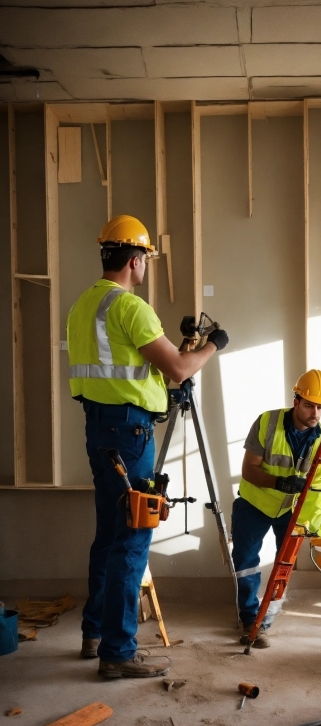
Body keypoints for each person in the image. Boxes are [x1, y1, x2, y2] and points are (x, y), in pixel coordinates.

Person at [67, 215, 229, 678]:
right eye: (145, 261)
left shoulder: (84, 305)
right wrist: (213, 345)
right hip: (129, 434)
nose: (144, 268)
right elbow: (179, 368)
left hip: (100, 430)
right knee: (133, 538)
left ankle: (94, 632)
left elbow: (128, 369)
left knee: (109, 535)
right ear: (136, 261)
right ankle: (117, 653)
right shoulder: (130, 308)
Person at [232, 369, 321, 648]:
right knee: (246, 563)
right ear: (296, 401)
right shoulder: (267, 422)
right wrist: (280, 482)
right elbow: (249, 470)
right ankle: (249, 619)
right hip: (255, 503)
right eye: (309, 405)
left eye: (320, 406)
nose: (314, 413)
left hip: (290, 510)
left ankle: (264, 622)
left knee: (284, 565)